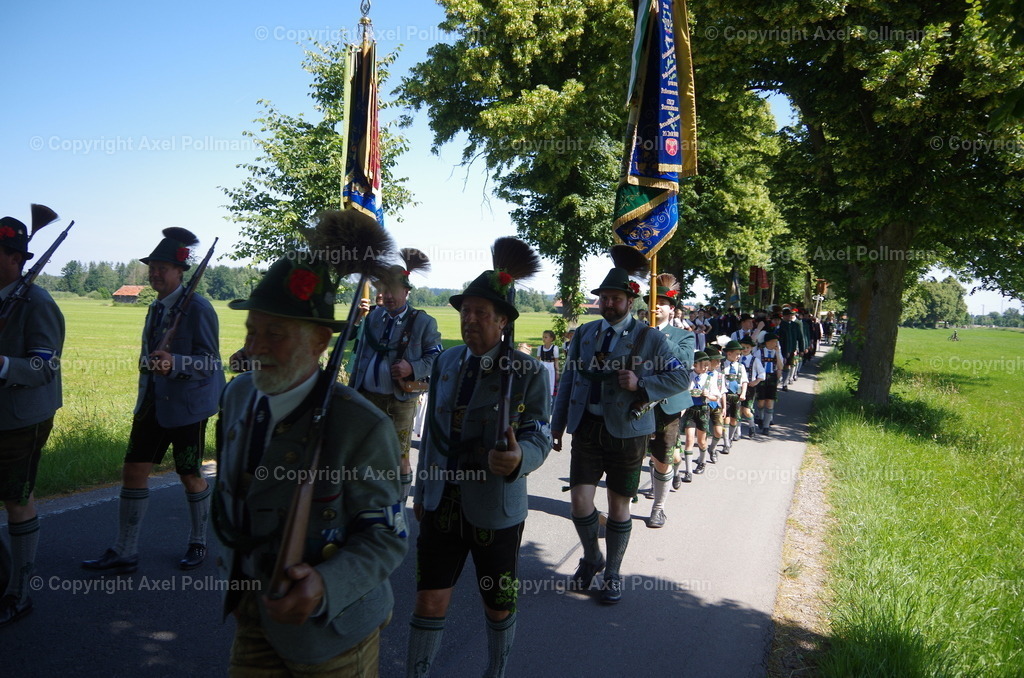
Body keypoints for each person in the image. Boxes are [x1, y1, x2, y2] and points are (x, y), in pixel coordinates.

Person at [213, 255, 408, 675]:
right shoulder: (236, 398)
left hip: (332, 632)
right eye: (252, 331)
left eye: (275, 334)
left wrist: (324, 584)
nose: (255, 347)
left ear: (320, 342)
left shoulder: (360, 426)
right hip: (253, 607)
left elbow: (387, 538)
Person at [408, 269, 550, 678]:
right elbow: (433, 436)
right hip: (441, 503)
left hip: (495, 508)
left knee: (498, 602)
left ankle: (495, 671)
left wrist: (521, 456)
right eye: (465, 311)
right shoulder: (448, 361)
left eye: (480, 312)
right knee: (429, 599)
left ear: (502, 320)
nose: (469, 319)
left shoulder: (526, 372)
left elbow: (538, 430)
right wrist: (421, 491)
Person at [82, 228, 224, 574]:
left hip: (187, 406)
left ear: (180, 272)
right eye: (152, 267)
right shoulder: (155, 309)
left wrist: (175, 363)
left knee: (189, 473)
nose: (156, 273)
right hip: (151, 404)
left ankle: (198, 541)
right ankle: (125, 550)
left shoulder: (200, 309)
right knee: (133, 471)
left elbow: (211, 363)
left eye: (163, 268)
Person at [552, 264, 688, 603]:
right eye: (604, 298)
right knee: (580, 501)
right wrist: (557, 424)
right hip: (586, 428)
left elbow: (681, 378)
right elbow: (568, 380)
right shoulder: (584, 334)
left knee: (618, 506)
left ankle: (612, 573)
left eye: (616, 298)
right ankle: (592, 556)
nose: (608, 303)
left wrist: (642, 384)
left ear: (630, 301)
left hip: (628, 433)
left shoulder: (651, 338)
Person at [0, 214, 65, 627]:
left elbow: (45, 365)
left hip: (23, 418)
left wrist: (3, 364)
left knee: (16, 499)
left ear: (11, 259)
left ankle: (19, 591)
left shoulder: (38, 304)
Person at [348, 251, 442, 500]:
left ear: (406, 292)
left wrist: (413, 367)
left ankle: (398, 502)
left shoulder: (423, 322)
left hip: (399, 400)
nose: (388, 295)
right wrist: (357, 317)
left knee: (399, 454)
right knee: (366, 449)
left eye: (393, 290)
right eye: (384, 289)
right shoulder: (372, 317)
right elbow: (355, 349)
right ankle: (367, 497)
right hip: (366, 397)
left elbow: (436, 359)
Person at [645, 275, 693, 528]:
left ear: (671, 309)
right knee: (631, 457)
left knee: (662, 458)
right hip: (637, 403)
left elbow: (685, 362)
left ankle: (659, 507)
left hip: (668, 405)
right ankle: (622, 505)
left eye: (661, 302)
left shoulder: (683, 336)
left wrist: (658, 338)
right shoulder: (634, 332)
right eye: (652, 301)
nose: (656, 306)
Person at [683, 352, 720, 476]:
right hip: (690, 410)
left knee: (701, 441)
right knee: (689, 440)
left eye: (707, 365)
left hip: (703, 410)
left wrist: (709, 395)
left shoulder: (709, 378)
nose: (705, 368)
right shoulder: (688, 376)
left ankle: (702, 461)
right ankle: (688, 471)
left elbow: (716, 396)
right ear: (694, 364)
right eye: (703, 365)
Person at [719, 340, 749, 454]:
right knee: (725, 418)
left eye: (739, 354)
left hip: (736, 395)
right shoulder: (722, 366)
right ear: (729, 354)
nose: (739, 356)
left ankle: (730, 438)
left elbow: (745, 381)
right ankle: (726, 442)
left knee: (734, 419)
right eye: (737, 354)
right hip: (725, 395)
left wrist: (743, 393)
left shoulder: (741, 367)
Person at [754, 333, 785, 435]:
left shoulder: (777, 352)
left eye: (776, 342)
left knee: (770, 402)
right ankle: (760, 418)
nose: (775, 343)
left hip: (772, 377)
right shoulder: (759, 352)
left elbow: (780, 367)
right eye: (773, 341)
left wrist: (777, 353)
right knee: (761, 402)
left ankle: (766, 427)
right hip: (762, 378)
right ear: (767, 342)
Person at [736, 336, 764, 440]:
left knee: (746, 410)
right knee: (738, 410)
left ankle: (752, 427)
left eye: (747, 347)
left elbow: (762, 373)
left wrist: (756, 381)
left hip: (750, 388)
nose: (745, 349)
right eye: (743, 347)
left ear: (751, 348)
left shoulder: (755, 360)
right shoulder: (737, 360)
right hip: (738, 387)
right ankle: (737, 432)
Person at [537, 329, 560, 400]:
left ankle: (550, 399)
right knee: (542, 381)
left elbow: (556, 361)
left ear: (551, 339)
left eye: (546, 337)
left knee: (550, 382)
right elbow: (537, 359)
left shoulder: (554, 348)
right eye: (543, 337)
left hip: (550, 366)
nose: (543, 339)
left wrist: (557, 372)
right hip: (542, 364)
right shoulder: (540, 348)